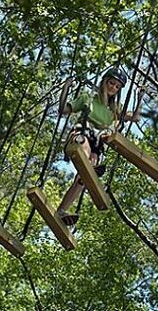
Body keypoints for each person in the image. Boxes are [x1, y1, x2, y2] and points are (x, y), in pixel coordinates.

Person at [57, 67, 142, 225]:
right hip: (81, 135)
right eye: (111, 83)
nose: (113, 88)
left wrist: (139, 98)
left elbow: (135, 117)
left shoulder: (114, 110)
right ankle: (88, 168)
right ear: (104, 81)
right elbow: (63, 110)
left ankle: (61, 211)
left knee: (82, 179)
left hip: (96, 144)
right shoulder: (87, 98)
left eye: (117, 87)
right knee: (86, 153)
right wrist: (65, 89)